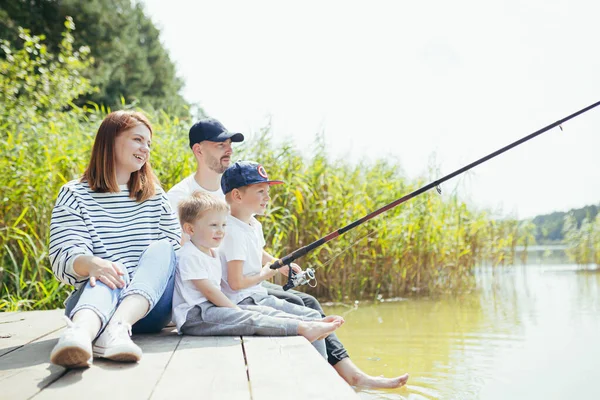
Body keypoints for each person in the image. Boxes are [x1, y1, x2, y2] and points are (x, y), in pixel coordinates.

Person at [167, 118, 408, 388]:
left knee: (308, 304)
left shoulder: (241, 204)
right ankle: (332, 379)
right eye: (220, 144)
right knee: (303, 313)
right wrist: (258, 278)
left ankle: (346, 375)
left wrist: (278, 264)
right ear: (198, 150)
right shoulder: (184, 197)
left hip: (239, 288)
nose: (228, 150)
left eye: (230, 145)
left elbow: (245, 247)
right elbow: (204, 254)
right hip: (227, 294)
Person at [48, 110, 181, 368]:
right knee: (109, 269)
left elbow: (175, 257)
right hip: (94, 301)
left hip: (149, 307)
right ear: (110, 141)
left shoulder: (155, 197)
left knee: (164, 249)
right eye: (137, 140)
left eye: (148, 144)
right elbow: (64, 254)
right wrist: (94, 265)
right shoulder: (74, 194)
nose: (145, 149)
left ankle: (117, 328)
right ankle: (80, 336)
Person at [172, 191, 342, 358]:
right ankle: (303, 328)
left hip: (213, 309)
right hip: (195, 316)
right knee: (251, 319)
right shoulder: (189, 255)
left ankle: (307, 324)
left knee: (265, 312)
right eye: (213, 225)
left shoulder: (212, 252)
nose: (221, 231)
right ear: (190, 229)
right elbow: (210, 292)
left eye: (223, 225)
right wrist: (237, 310)